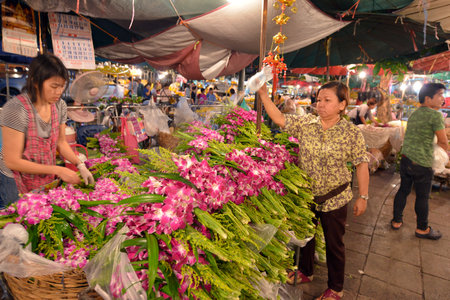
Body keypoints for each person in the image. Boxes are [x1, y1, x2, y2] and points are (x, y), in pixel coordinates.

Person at [257, 81, 369, 300]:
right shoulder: (307, 123)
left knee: (334, 244)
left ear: (342, 105)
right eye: (318, 100)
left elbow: (361, 163)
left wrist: (363, 196)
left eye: (327, 100)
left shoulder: (351, 132)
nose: (320, 105)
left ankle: (336, 288)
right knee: (306, 236)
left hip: (335, 197)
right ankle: (305, 271)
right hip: (308, 194)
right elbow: (280, 119)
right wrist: (263, 94)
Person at [0, 53, 94, 208]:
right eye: (54, 86)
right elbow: (12, 161)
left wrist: (79, 164)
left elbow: (61, 142)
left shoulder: (59, 106)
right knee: (18, 220)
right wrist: (58, 170)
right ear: (36, 82)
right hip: (14, 177)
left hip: (42, 173)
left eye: (62, 86)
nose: (59, 92)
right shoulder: (16, 109)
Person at [391, 83, 448, 240]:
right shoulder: (435, 115)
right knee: (422, 197)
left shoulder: (415, 113)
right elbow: (443, 142)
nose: (443, 98)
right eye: (440, 95)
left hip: (406, 159)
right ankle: (422, 229)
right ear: (428, 99)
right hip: (422, 164)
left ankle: (396, 221)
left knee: (403, 190)